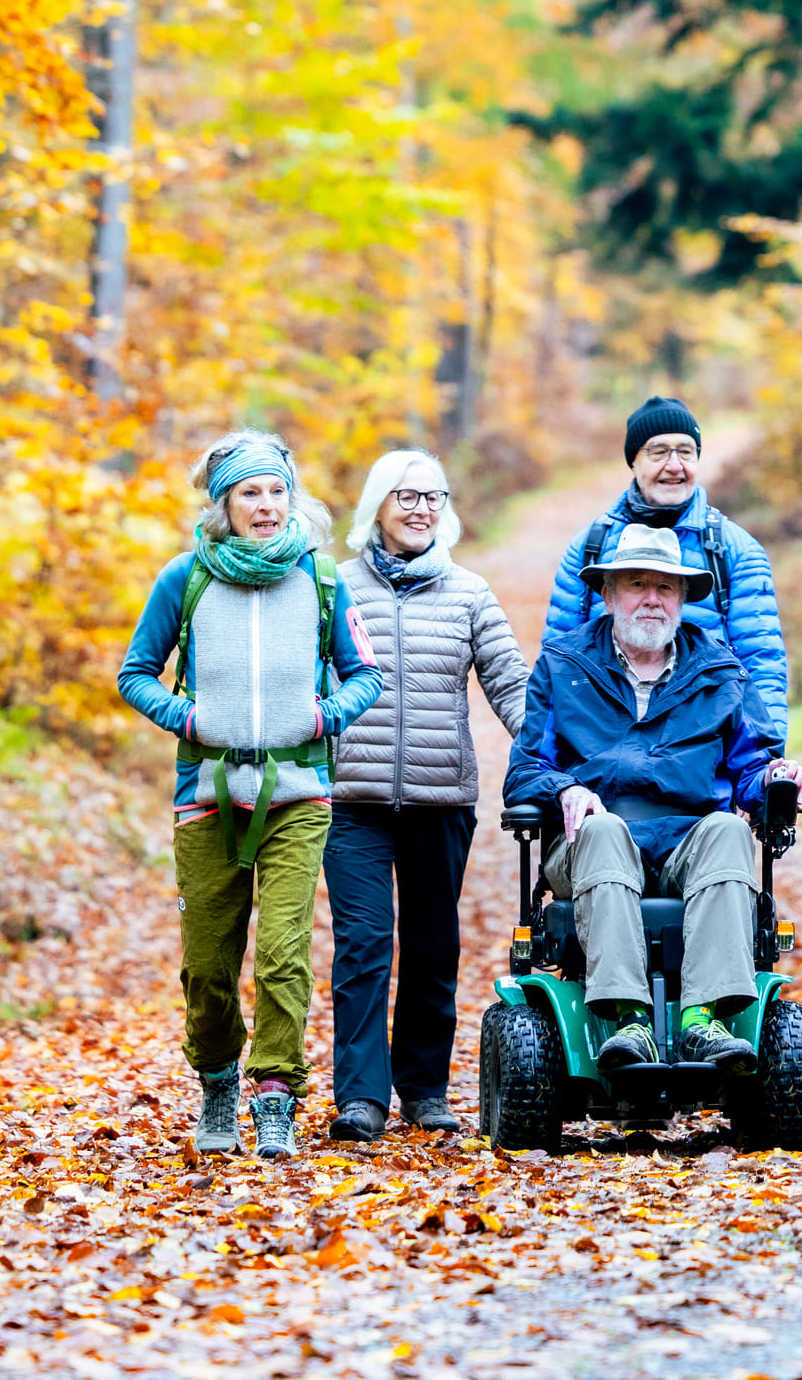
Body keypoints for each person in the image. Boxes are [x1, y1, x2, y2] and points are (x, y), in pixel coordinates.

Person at [118, 430, 383, 1161]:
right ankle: (217, 1081)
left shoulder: (321, 578)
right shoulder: (185, 578)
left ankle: (275, 1094)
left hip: (299, 791)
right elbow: (135, 672)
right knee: (207, 964)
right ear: (223, 506)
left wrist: (327, 714)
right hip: (206, 790)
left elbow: (367, 674)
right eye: (249, 494)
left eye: (275, 491)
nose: (266, 506)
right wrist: (190, 717)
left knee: (283, 952)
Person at [506, 524, 802, 1073]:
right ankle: (628, 1021)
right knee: (602, 831)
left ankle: (702, 1022)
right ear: (607, 594)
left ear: (682, 599)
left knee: (728, 829)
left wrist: (776, 781)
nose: (651, 598)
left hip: (687, 840)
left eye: (664, 588)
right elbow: (525, 770)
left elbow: (753, 769)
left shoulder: (719, 672)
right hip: (591, 841)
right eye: (636, 584)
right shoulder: (563, 666)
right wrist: (566, 787)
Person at [323, 449, 530, 1142]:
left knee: (434, 946)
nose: (420, 509)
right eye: (406, 496)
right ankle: (359, 1096)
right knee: (363, 944)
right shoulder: (334, 587)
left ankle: (424, 1088)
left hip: (442, 799)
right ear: (377, 506)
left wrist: (559, 758)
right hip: (352, 798)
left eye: (433, 497)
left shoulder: (468, 592)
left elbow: (511, 685)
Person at [543, 397, 789, 749]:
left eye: (686, 452)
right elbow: (557, 667)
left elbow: (761, 664)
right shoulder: (589, 550)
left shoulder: (734, 550)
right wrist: (553, 777)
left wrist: (764, 770)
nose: (674, 466)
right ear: (634, 461)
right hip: (600, 756)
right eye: (658, 452)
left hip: (705, 762)